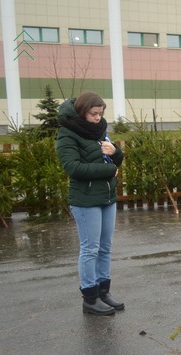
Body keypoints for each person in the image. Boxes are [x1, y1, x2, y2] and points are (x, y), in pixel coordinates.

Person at [57, 91, 125, 316]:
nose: (98, 118)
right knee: (90, 249)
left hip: (107, 198)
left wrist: (116, 152)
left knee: (105, 247)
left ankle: (104, 292)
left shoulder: (100, 131)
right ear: (81, 111)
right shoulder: (67, 134)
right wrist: (109, 169)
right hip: (86, 200)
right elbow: (73, 168)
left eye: (101, 113)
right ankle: (90, 298)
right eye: (94, 114)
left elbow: (113, 157)